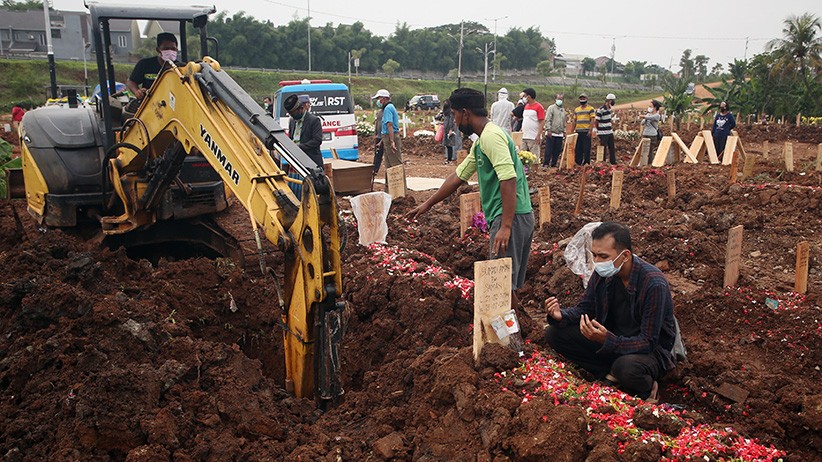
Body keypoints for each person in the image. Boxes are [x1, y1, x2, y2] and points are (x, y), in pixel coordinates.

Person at [408, 88, 534, 331]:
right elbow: (458, 177)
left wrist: (505, 226)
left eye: (455, 114)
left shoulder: (491, 137)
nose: (454, 121)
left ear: (465, 113)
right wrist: (427, 204)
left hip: (510, 217)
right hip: (513, 216)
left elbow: (508, 178)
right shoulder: (482, 140)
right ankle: (520, 332)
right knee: (505, 283)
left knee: (499, 284)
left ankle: (514, 340)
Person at [544, 222, 677, 402]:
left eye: (603, 256)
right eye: (595, 255)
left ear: (625, 255)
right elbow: (586, 308)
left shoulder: (653, 284)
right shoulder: (603, 274)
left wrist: (608, 340)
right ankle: (609, 372)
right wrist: (561, 315)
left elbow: (648, 341)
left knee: (627, 368)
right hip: (614, 340)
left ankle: (647, 388)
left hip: (648, 351)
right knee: (555, 333)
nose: (597, 262)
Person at [126, 32, 179, 101]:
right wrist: (137, 92)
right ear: (158, 50)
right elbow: (131, 82)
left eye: (173, 49)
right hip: (149, 103)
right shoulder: (145, 64)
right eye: (166, 49)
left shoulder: (180, 67)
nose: (170, 51)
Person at [285, 94, 324, 168]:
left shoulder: (314, 120)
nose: (292, 116)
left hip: (311, 161)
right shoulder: (292, 121)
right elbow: (291, 138)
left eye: (293, 113)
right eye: (290, 114)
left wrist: (299, 147)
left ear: (301, 108)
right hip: (296, 161)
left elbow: (317, 140)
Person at [372, 89, 402, 179]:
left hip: (390, 137)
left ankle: (399, 189)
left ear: (384, 99)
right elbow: (385, 129)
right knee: (388, 164)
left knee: (395, 164)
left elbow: (389, 125)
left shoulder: (388, 108)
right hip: (386, 137)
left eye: (379, 98)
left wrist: (392, 141)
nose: (378, 101)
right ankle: (390, 188)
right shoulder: (386, 108)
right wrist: (381, 141)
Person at [520, 88, 545, 163]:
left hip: (533, 136)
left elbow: (542, 121)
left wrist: (538, 134)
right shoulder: (526, 106)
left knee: (534, 158)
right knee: (522, 157)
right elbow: (525, 119)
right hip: (524, 136)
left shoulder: (538, 107)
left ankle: (535, 173)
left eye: (525, 96)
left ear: (529, 96)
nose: (524, 97)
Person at [571, 93, 596, 165]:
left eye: (583, 98)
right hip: (578, 131)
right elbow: (574, 121)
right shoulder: (577, 109)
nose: (582, 100)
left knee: (586, 148)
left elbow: (592, 119)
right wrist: (572, 131)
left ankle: (586, 163)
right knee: (578, 148)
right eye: (581, 99)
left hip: (586, 131)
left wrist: (590, 130)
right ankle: (578, 163)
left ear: (587, 99)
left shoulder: (590, 109)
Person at [543, 94, 566, 167]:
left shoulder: (563, 110)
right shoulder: (551, 108)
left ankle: (554, 164)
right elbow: (548, 119)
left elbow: (564, 121)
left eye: (561, 99)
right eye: (558, 98)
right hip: (551, 133)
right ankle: (546, 163)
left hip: (559, 133)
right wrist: (548, 129)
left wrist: (564, 131)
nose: (560, 100)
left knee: (557, 150)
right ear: (555, 99)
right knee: (549, 150)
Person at [594, 93, 617, 164]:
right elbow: (596, 121)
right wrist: (598, 130)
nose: (614, 102)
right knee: (603, 148)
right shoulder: (601, 110)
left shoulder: (609, 109)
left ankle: (613, 162)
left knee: (612, 148)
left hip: (609, 132)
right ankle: (603, 162)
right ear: (609, 101)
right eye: (613, 100)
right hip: (603, 132)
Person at [640, 101, 662, 165]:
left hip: (652, 135)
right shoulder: (648, 115)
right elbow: (642, 123)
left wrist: (645, 117)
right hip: (645, 134)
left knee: (650, 151)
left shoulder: (657, 115)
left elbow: (650, 118)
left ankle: (650, 164)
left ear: (655, 107)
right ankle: (643, 163)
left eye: (650, 106)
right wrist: (645, 118)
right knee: (643, 151)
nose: (649, 108)